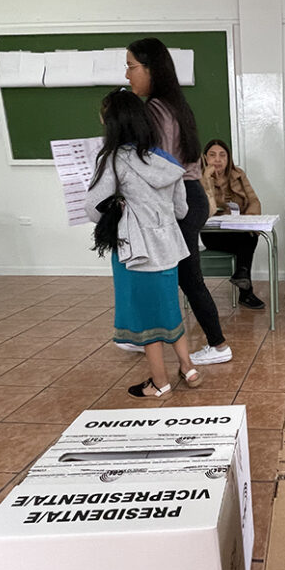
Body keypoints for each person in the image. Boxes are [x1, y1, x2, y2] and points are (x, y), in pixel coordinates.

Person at [85, 89, 201, 397]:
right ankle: (188, 368)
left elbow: (93, 208)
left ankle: (160, 382)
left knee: (146, 317)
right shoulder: (165, 159)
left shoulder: (112, 159)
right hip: (168, 248)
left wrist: (121, 209)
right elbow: (181, 210)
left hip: (135, 249)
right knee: (168, 307)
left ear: (112, 122)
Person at [126, 37, 232, 366]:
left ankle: (218, 345)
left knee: (184, 277)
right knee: (172, 275)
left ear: (150, 69)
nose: (127, 75)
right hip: (189, 195)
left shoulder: (156, 110)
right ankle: (147, 336)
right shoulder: (173, 105)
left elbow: (159, 166)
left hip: (180, 198)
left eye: (131, 67)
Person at [200, 139, 265, 310]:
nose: (218, 160)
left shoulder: (238, 174)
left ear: (228, 158)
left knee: (250, 235)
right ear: (205, 158)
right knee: (248, 240)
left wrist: (248, 219)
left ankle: (242, 277)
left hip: (237, 229)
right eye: (212, 155)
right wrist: (206, 179)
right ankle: (245, 290)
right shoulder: (199, 177)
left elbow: (254, 200)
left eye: (222, 155)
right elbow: (204, 208)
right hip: (213, 233)